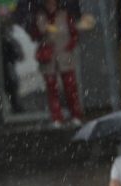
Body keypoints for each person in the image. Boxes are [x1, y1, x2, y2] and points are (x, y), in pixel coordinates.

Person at [29, 0, 84, 128]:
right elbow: (35, 35)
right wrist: (41, 29)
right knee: (52, 88)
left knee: (70, 87)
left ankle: (75, 115)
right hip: (49, 58)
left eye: (52, 2)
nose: (50, 4)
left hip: (64, 56)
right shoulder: (39, 16)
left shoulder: (64, 14)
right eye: (48, 2)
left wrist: (68, 47)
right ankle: (56, 117)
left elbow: (74, 34)